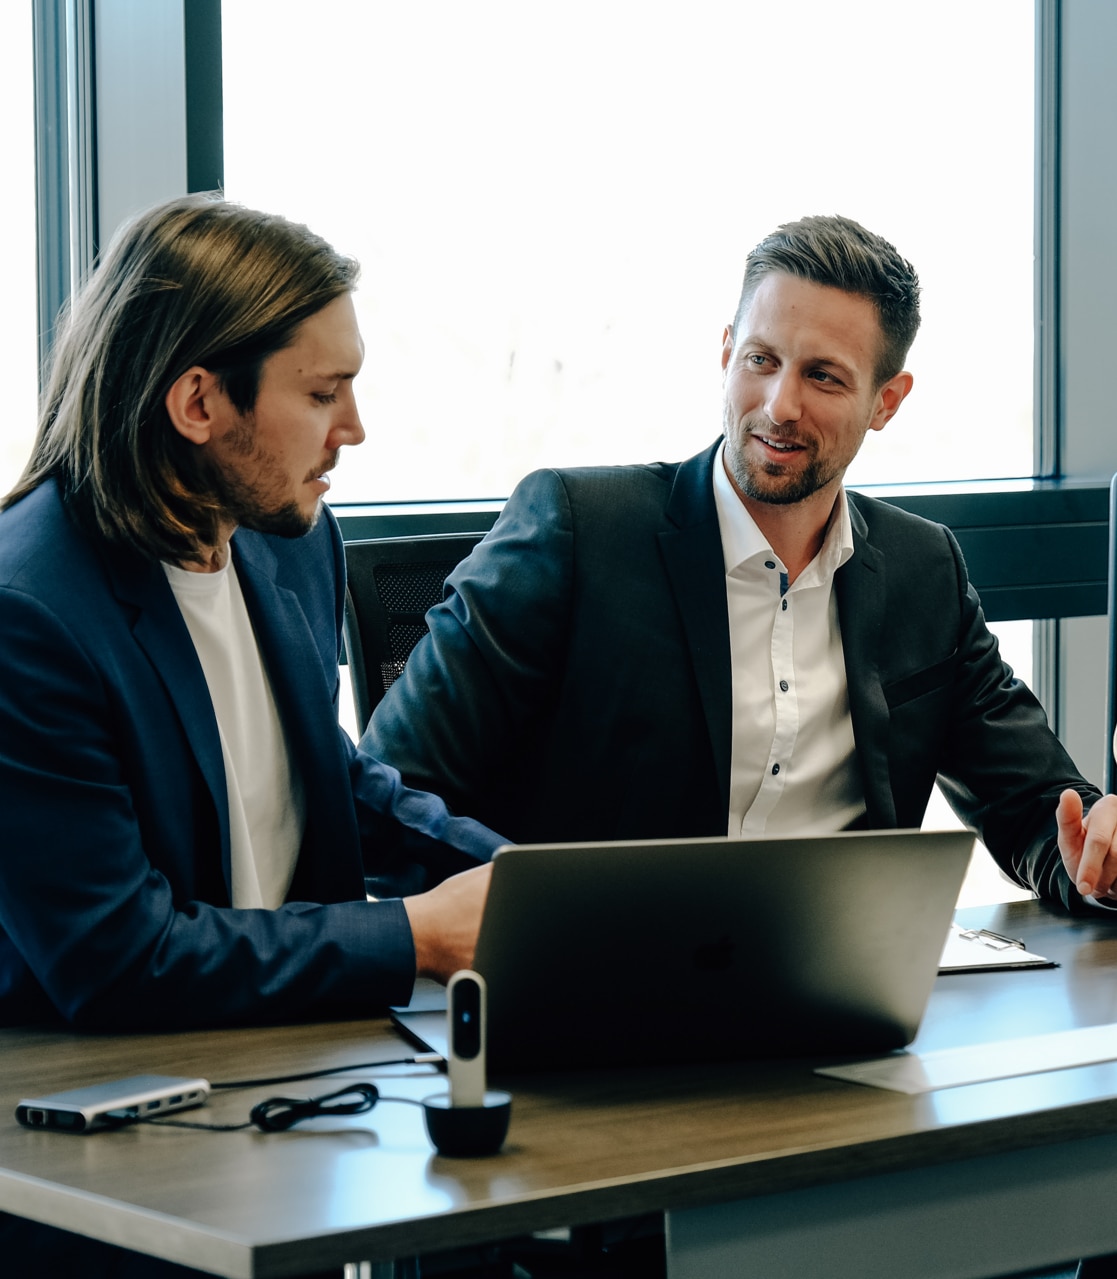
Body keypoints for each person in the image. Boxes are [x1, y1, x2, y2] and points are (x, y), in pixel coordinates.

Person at [365, 213, 1117, 913]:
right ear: (726, 353)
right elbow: (391, 795)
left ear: (886, 400)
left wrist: (1095, 855)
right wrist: (544, 906)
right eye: (760, 360)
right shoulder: (573, 531)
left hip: (835, 998)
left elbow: (1035, 811)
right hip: (593, 984)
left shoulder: (926, 571)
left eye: (822, 376)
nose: (778, 404)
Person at [0, 192, 503, 1040]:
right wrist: (416, 934)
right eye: (321, 393)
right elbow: (119, 958)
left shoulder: (290, 540)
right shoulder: (29, 616)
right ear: (199, 404)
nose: (353, 428)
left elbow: (321, 777)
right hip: (102, 1094)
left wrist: (536, 884)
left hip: (288, 1044)